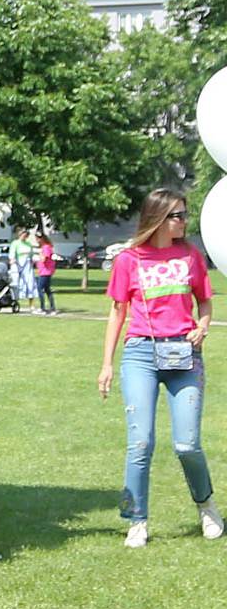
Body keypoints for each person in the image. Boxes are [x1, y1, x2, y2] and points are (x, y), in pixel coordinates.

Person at [97, 188, 221, 546]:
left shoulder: (191, 256)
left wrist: (203, 325)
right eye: (177, 215)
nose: (184, 221)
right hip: (140, 355)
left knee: (187, 444)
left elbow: (206, 302)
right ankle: (137, 519)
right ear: (159, 218)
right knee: (140, 442)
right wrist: (106, 364)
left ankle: (206, 505)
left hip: (185, 357)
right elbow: (117, 312)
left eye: (184, 214)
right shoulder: (129, 260)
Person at [33, 229, 58, 316]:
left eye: (37, 239)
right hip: (43, 271)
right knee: (47, 290)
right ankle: (52, 308)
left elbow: (44, 259)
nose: (36, 240)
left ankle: (43, 308)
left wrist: (39, 255)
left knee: (40, 289)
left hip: (45, 272)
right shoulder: (45, 247)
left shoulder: (46, 247)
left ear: (41, 239)